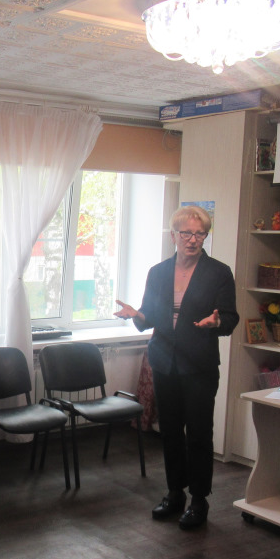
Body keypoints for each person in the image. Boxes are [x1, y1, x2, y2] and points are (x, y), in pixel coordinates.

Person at [114, 205, 239, 530]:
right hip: (164, 363)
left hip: (199, 366)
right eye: (186, 233)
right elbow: (150, 316)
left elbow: (230, 318)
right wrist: (136, 315)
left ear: (205, 236)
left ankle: (199, 499)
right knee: (169, 431)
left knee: (198, 433)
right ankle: (175, 493)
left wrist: (217, 322)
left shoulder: (219, 272)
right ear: (173, 236)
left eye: (200, 234)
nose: (193, 240)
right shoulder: (158, 272)